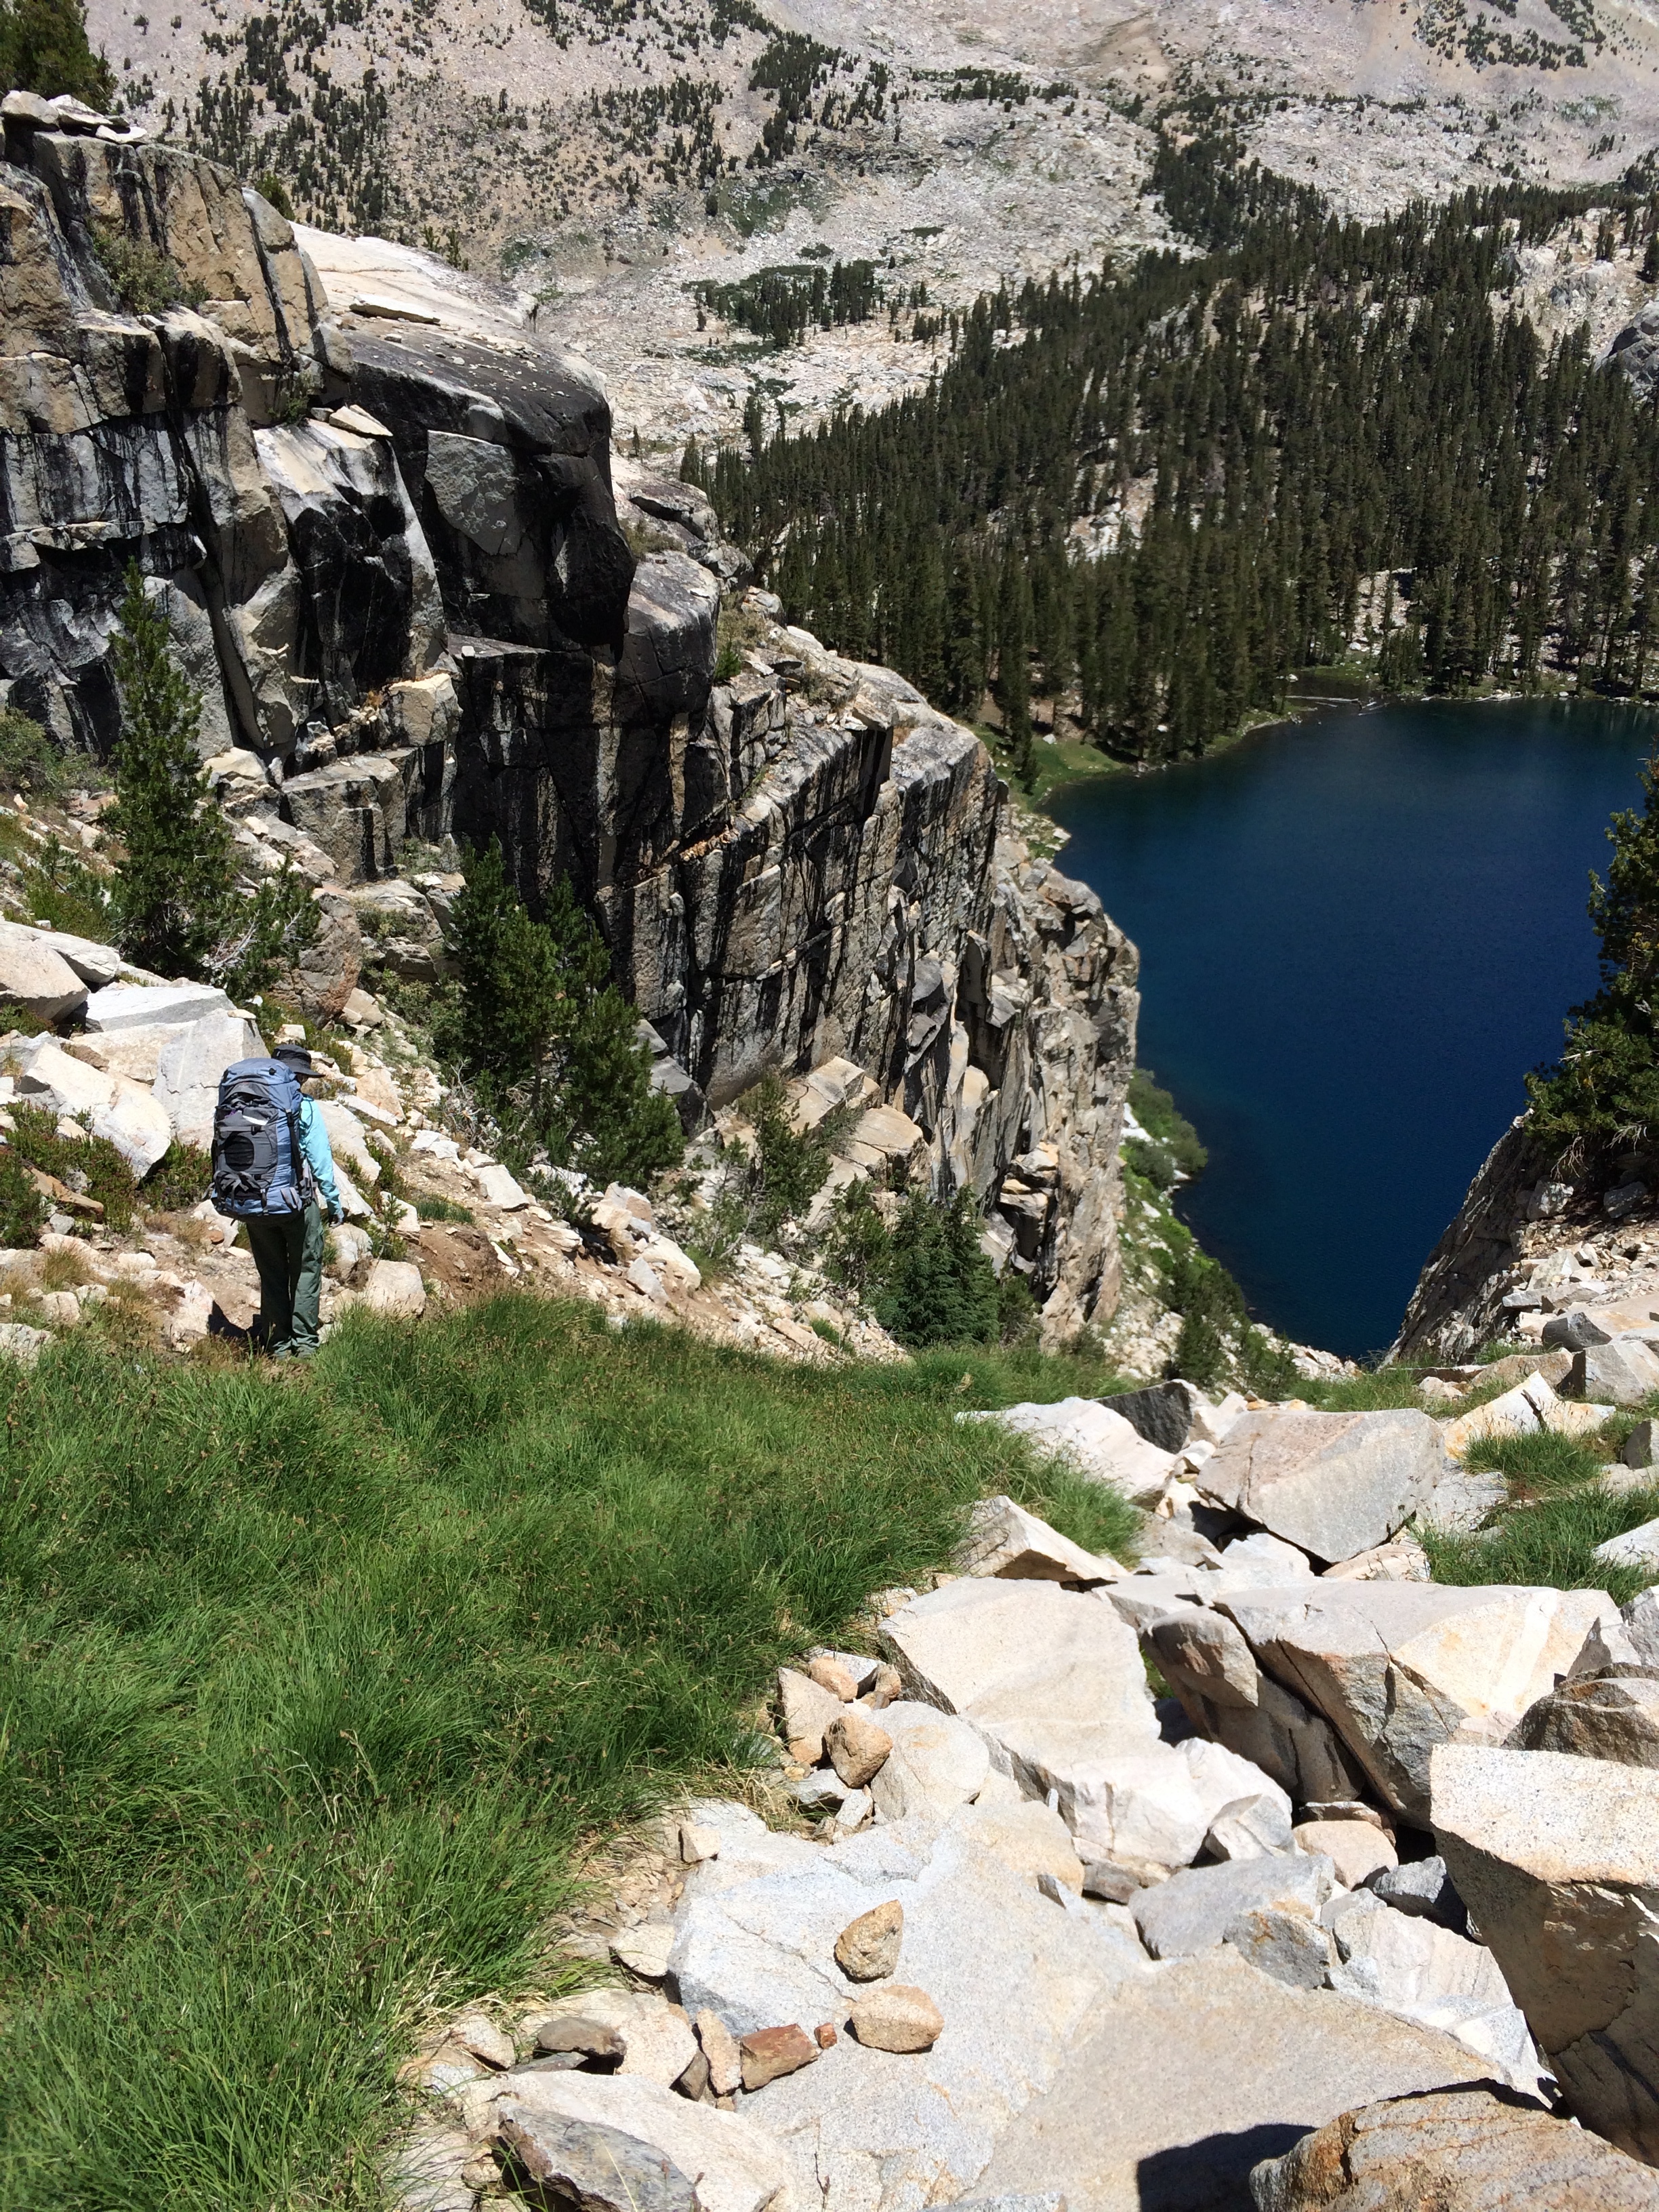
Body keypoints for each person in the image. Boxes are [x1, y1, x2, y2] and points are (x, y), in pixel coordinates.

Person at [241, 1044, 344, 1361]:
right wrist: (334, 1201)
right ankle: (304, 1344)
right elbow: (320, 1158)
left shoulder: (245, 1102)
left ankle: (278, 1345)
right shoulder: (305, 1106)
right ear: (298, 1076)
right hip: (295, 1202)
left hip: (254, 1201)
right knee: (305, 1269)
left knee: (271, 1272)